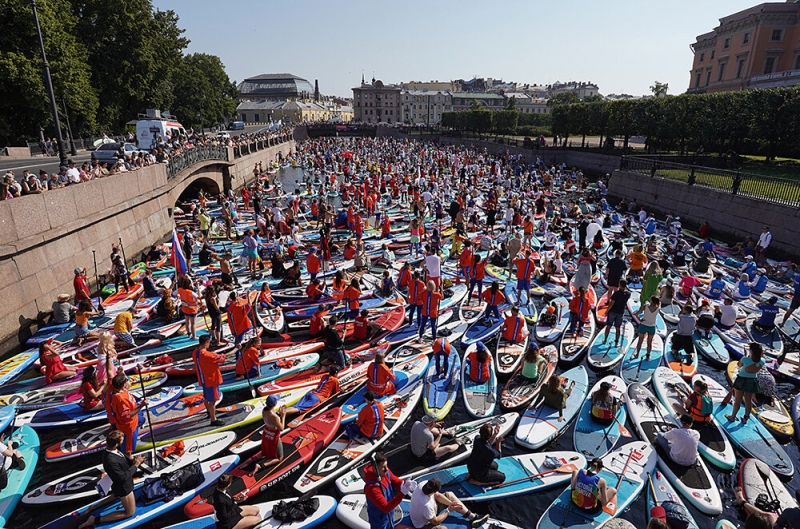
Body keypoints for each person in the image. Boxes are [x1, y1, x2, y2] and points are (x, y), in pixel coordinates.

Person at [77, 430, 143, 528]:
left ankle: (93, 507)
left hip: (116, 484)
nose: (123, 441)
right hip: (124, 487)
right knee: (129, 512)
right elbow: (123, 478)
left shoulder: (110, 450)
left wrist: (133, 461)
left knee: (115, 495)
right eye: (122, 440)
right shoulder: (110, 459)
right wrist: (136, 465)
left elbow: (122, 462)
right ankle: (95, 520)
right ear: (116, 444)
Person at [409, 477, 488, 529]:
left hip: (429, 510)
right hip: (423, 524)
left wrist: (451, 504)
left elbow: (438, 495)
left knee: (449, 494)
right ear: (434, 490)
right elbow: (435, 521)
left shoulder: (423, 484)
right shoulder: (426, 505)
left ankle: (473, 517)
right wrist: (449, 510)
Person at [364, 452, 412, 529]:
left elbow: (395, 481)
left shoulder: (384, 471)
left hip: (389, 513)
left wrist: (406, 484)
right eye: (383, 467)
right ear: (374, 467)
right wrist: (402, 493)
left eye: (386, 465)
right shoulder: (372, 488)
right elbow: (386, 508)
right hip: (379, 520)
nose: (386, 469)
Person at [726, 343, 766, 424]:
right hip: (752, 380)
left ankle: (732, 416)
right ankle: (745, 418)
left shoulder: (745, 359)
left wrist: (745, 355)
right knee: (748, 401)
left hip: (742, 380)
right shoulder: (762, 360)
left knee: (738, 400)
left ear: (751, 351)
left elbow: (739, 365)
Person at [193, 334, 227, 427]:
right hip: (211, 379)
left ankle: (210, 412)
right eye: (208, 343)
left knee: (207, 398)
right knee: (213, 400)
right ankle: (213, 419)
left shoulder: (195, 352)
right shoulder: (206, 355)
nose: (209, 345)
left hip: (203, 379)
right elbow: (220, 359)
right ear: (205, 343)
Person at [109, 373, 147, 457]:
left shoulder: (120, 390)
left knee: (142, 418)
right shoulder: (121, 400)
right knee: (128, 450)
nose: (128, 382)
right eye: (127, 381)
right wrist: (141, 405)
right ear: (123, 385)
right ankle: (128, 457)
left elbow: (128, 385)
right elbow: (127, 416)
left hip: (134, 418)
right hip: (129, 426)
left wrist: (121, 372)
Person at [252, 394, 286, 474]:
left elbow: (271, 417)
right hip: (273, 436)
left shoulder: (264, 410)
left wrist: (278, 413)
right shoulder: (274, 416)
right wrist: (283, 416)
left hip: (266, 433)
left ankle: (254, 459)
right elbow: (281, 428)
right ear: (275, 404)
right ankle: (261, 466)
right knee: (280, 458)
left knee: (266, 451)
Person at [602, 279, 630, 347]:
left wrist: (607, 310)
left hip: (613, 311)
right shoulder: (628, 294)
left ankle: (605, 340)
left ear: (620, 285)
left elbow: (611, 303)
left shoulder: (616, 293)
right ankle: (616, 342)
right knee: (618, 328)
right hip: (620, 312)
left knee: (608, 326)